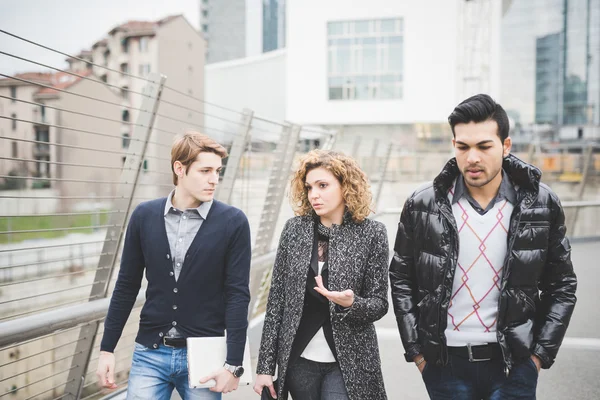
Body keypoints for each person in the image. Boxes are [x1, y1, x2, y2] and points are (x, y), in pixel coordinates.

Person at [389, 94, 577, 399]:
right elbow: (401, 279)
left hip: (514, 364)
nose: (472, 157)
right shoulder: (423, 204)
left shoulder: (540, 203)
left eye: (484, 146)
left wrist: (538, 357)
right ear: (454, 146)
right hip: (444, 364)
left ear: (505, 146)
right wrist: (418, 355)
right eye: (463, 147)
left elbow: (563, 285)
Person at [96, 132, 252, 400]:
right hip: (150, 355)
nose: (214, 179)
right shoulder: (144, 216)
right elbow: (126, 287)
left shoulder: (233, 222)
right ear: (179, 168)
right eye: (205, 171)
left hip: (205, 355)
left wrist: (233, 365)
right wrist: (106, 349)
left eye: (217, 171)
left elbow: (237, 294)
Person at [253, 149, 389, 400]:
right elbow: (276, 303)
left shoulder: (372, 233)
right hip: (298, 358)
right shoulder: (294, 230)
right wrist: (264, 368)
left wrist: (352, 303)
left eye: (323, 185)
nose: (314, 194)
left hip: (349, 359)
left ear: (345, 186)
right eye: (309, 187)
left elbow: (379, 304)